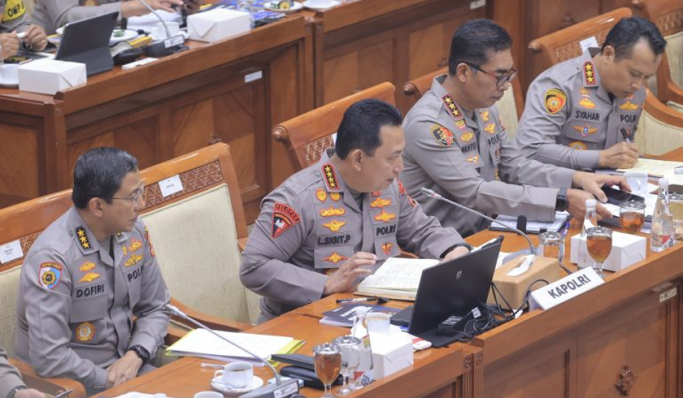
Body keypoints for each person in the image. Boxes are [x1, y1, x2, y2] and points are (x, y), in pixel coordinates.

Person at [241, 99, 471, 322]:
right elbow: (254, 266)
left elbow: (421, 230)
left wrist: (452, 250)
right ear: (358, 159)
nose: (400, 166)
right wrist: (325, 285)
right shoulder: (296, 200)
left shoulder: (387, 185)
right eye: (392, 157)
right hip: (307, 322)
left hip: (377, 315)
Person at [401, 19, 628, 237]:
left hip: (493, 228)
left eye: (510, 74)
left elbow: (514, 166)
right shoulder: (428, 125)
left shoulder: (483, 107)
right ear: (463, 72)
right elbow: (475, 191)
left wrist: (575, 178)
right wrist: (561, 198)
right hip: (446, 246)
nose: (507, 86)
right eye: (499, 77)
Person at [15, 148, 170, 394]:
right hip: (76, 385)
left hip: (131, 370)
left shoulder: (134, 233)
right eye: (132, 197)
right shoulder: (53, 260)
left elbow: (157, 307)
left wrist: (136, 354)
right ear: (97, 206)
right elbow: (50, 357)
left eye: (141, 191)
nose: (141, 204)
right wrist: (109, 379)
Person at [515, 17, 666, 170]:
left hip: (615, 185)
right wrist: (601, 158)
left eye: (646, 77)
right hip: (562, 188)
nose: (639, 85)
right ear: (608, 54)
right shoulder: (559, 85)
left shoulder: (635, 90)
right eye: (634, 73)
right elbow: (530, 149)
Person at [31, 0, 202, 35]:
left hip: (118, 40)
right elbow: (66, 17)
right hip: (51, 52)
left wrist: (183, 6)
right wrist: (133, 7)